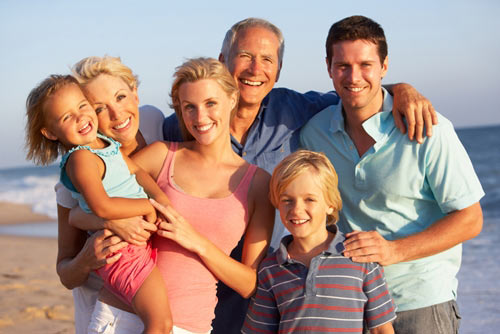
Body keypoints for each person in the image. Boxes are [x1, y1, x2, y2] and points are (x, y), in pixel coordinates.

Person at [162, 17, 438, 333]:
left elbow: (355, 90)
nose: (255, 69)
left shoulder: (294, 110)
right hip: (207, 304)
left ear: (278, 70)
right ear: (223, 60)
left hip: (288, 298)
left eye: (267, 59)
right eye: (245, 56)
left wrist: (401, 90)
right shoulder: (184, 123)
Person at [301, 15, 484, 333]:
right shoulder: (314, 134)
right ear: (329, 67)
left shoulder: (429, 129)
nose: (353, 76)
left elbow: (470, 219)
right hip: (352, 301)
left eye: (365, 65)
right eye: (342, 65)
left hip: (421, 301)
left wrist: (394, 250)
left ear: (384, 66)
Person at [24, 74, 173, 333]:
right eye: (66, 117)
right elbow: (102, 206)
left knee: (156, 321)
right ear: (50, 132)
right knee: (160, 324)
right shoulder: (81, 159)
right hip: (120, 252)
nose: (81, 117)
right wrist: (149, 207)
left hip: (134, 245)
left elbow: (137, 172)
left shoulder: (107, 145)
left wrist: (160, 198)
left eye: (82, 106)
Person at [242, 150, 396, 334]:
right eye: (287, 200)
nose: (297, 210)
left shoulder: (361, 257)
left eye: (310, 199)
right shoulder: (270, 269)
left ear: (330, 204)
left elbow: (381, 329)